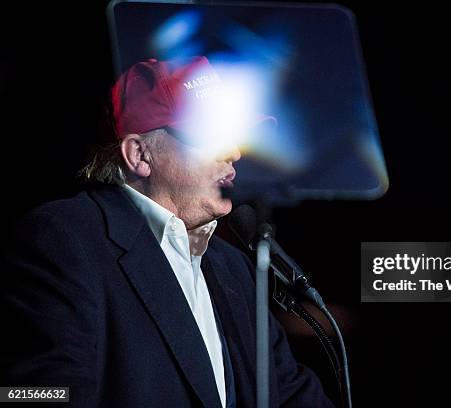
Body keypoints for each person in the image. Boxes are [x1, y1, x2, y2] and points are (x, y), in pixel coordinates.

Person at [0, 56, 334, 407]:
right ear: (139, 154)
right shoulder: (62, 240)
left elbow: (292, 393)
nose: (233, 152)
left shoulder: (233, 267)